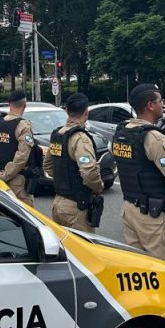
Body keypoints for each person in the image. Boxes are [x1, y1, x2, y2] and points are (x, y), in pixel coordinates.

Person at [112, 83, 165, 267]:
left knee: (140, 272)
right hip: (155, 220)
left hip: (131, 211)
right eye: (160, 101)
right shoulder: (154, 138)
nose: (162, 104)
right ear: (150, 105)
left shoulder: (122, 132)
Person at [44, 92, 103, 232]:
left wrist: (64, 178)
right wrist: (98, 186)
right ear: (86, 112)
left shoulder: (57, 135)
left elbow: (47, 165)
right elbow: (89, 172)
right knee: (83, 250)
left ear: (67, 111)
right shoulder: (80, 138)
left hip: (58, 203)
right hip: (76, 206)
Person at [0, 89, 36, 207]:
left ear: (9, 104)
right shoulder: (23, 125)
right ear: (24, 105)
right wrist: (6, 175)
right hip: (18, 181)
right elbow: (22, 156)